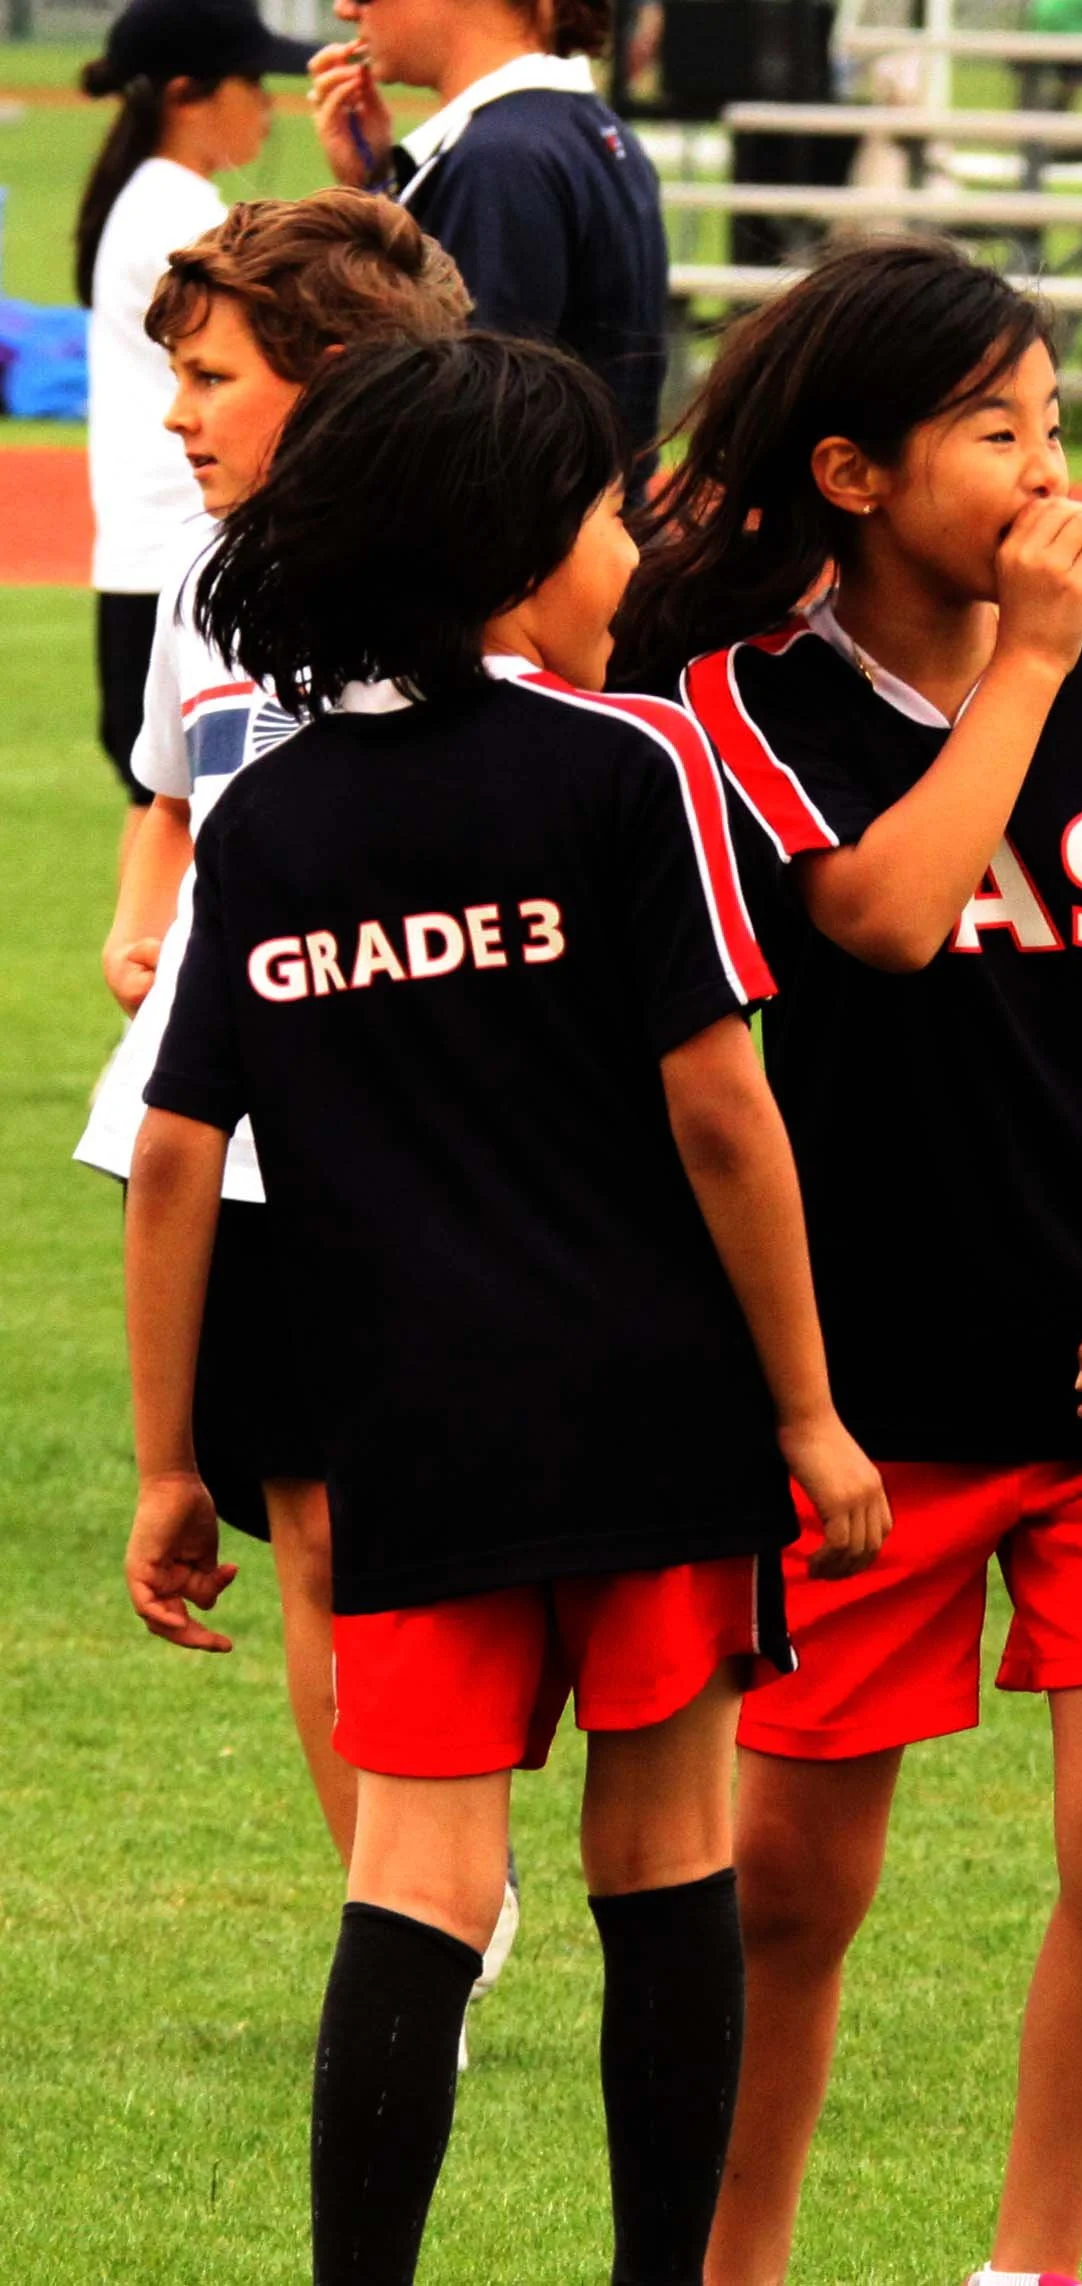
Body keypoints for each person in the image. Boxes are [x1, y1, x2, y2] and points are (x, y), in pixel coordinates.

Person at [121, 329, 890, 2286]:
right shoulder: (627, 762)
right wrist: (807, 1411)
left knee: (418, 1883)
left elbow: (187, 1151)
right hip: (650, 1414)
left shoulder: (272, 821)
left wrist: (164, 1466)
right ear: (506, 550)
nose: (629, 539)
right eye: (601, 507)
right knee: (664, 1864)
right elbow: (723, 1115)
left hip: (408, 1436)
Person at [619, 238, 1082, 2286]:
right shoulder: (732, 700)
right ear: (849, 473)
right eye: (998, 432)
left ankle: (1032, 2269)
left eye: (1056, 424)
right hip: (857, 1408)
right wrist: (1026, 667)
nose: (1045, 467)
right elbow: (890, 914)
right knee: (795, 1895)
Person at [76, 191, 473, 1907]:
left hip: (442, 1134)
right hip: (236, 1141)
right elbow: (172, 800)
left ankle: (479, 1852)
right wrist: (137, 913)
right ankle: (413, 1918)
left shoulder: (487, 587)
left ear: (335, 385)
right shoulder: (203, 584)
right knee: (309, 1527)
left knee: (445, 1537)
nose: (178, 416)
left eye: (214, 378)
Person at [75, 0, 316, 868]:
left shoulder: (146, 199)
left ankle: (158, 999)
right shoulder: (181, 221)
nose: (268, 104)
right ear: (187, 92)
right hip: (185, 554)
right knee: (188, 818)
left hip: (149, 557)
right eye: (253, 82)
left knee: (167, 811)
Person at [308, 0, 668, 481]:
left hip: (538, 542)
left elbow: (470, 437)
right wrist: (374, 191)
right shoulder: (581, 127)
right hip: (593, 529)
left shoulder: (500, 159)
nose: (346, 8)